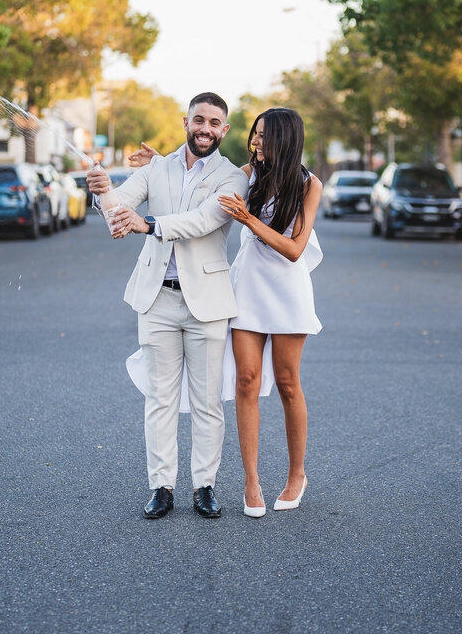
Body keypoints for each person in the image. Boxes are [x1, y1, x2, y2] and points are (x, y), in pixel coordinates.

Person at [129, 107, 323, 519]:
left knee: (289, 383)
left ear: (285, 139)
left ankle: (296, 475)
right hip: (247, 286)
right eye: (255, 134)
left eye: (264, 136)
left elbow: (293, 249)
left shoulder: (309, 185)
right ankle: (251, 482)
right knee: (246, 383)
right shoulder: (248, 174)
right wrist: (161, 165)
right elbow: (202, 177)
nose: (256, 142)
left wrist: (249, 219)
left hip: (287, 290)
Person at [88, 91, 249, 520]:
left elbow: (203, 221)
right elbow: (118, 211)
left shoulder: (234, 179)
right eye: (199, 120)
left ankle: (205, 486)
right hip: (156, 298)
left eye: (214, 123)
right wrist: (104, 193)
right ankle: (161, 486)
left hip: (208, 304)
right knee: (159, 399)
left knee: (207, 401)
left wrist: (150, 223)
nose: (205, 129)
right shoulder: (155, 168)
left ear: (224, 130)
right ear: (186, 122)